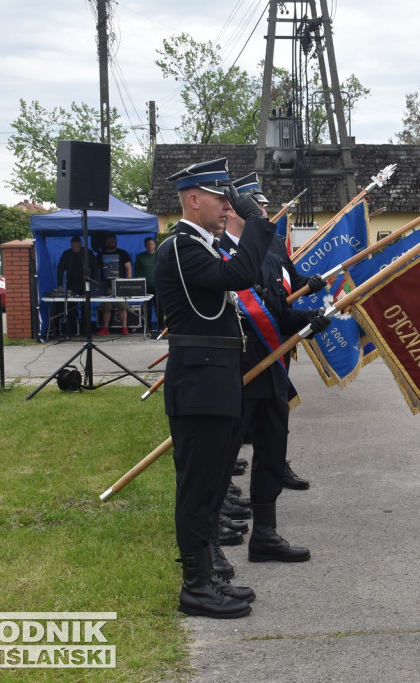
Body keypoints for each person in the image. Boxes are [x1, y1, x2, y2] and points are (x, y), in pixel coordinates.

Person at [154, 157, 274, 619]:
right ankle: (196, 586)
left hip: (214, 378)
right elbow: (238, 276)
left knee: (213, 482)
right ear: (192, 199)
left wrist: (249, 225)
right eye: (220, 198)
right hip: (200, 381)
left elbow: (244, 272)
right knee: (199, 486)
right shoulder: (182, 247)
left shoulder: (203, 244)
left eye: (230, 199)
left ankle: (209, 576)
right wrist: (258, 220)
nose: (228, 206)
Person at [220, 173, 330, 565]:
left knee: (271, 448)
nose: (263, 216)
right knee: (224, 451)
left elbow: (278, 313)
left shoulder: (267, 259)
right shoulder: (215, 254)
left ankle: (265, 534)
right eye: (256, 210)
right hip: (235, 372)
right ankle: (211, 535)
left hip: (270, 374)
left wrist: (310, 320)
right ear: (234, 212)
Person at [55, 235, 94, 337]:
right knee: (71, 308)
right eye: (72, 246)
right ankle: (72, 330)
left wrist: (94, 283)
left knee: (86, 308)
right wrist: (60, 284)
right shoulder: (67, 254)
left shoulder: (87, 253)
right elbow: (60, 269)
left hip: (85, 284)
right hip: (71, 285)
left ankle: (86, 331)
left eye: (76, 246)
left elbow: (95, 267)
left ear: (80, 244)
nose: (74, 248)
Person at [96, 233, 132, 335]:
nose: (110, 243)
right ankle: (105, 328)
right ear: (105, 243)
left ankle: (124, 328)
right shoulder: (100, 254)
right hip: (105, 286)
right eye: (108, 241)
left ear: (116, 242)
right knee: (106, 308)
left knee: (122, 307)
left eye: (112, 241)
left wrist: (128, 281)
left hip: (120, 285)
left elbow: (128, 267)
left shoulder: (122, 253)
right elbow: (96, 269)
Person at [134, 236, 162, 332]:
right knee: (147, 308)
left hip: (157, 286)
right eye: (148, 244)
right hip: (145, 286)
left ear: (154, 245)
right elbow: (136, 271)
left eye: (152, 244)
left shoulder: (159, 255)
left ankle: (161, 327)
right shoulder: (141, 257)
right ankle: (148, 328)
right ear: (145, 246)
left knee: (159, 307)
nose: (150, 246)